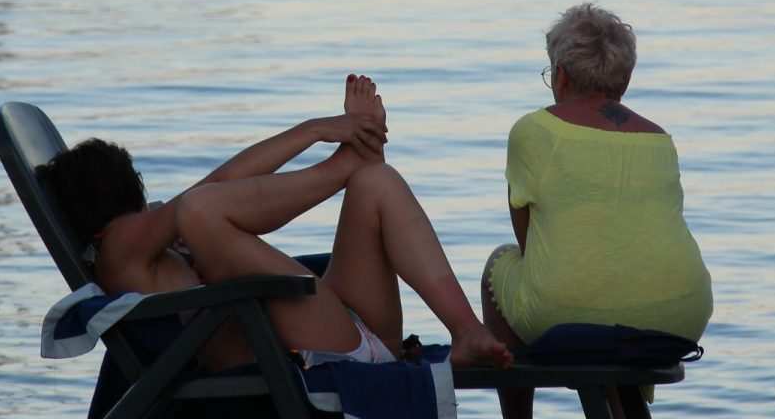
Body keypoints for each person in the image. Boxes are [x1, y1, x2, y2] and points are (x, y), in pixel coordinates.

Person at [35, 75, 512, 372]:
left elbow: (223, 181)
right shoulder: (120, 249)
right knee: (202, 208)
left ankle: (466, 331)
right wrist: (321, 138)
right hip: (318, 348)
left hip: (337, 333)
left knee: (376, 180)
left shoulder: (154, 248)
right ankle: (348, 168)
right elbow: (201, 200)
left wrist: (316, 130)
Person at [474, 3, 713, 419]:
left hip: (578, 311)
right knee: (613, 273)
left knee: (505, 264)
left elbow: (531, 242)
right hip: (681, 316)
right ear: (623, 80)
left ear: (560, 75)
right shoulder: (659, 139)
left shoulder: (535, 131)